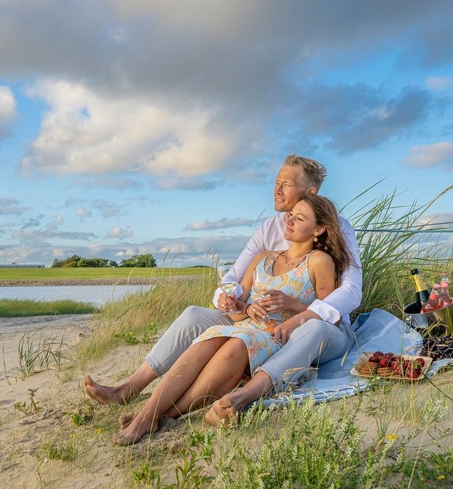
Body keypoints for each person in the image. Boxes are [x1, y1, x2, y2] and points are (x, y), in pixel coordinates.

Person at [84, 155, 363, 413]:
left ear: (310, 193)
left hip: (314, 326)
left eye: (285, 184)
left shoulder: (336, 228)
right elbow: (233, 280)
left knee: (309, 328)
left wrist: (298, 315)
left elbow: (350, 291)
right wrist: (230, 299)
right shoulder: (269, 228)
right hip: (257, 319)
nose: (276, 190)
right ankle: (130, 388)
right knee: (195, 314)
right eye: (276, 183)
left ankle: (215, 399)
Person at [113, 194, 354, 444]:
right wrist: (244, 308)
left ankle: (158, 416)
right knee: (210, 339)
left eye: (300, 218)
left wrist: (292, 305)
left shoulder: (319, 261)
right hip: (245, 327)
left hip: (279, 337)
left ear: (319, 229)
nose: (290, 221)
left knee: (236, 345)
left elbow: (330, 317)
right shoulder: (263, 257)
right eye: (291, 215)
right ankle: (149, 414)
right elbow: (239, 308)